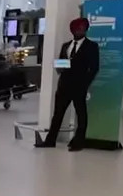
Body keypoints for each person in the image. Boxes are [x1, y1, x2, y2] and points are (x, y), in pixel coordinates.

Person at [36, 17, 100, 151]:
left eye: (82, 28)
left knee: (81, 114)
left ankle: (79, 141)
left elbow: (94, 68)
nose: (79, 31)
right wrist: (59, 67)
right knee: (58, 114)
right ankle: (50, 140)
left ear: (86, 29)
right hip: (64, 85)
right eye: (77, 28)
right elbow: (62, 62)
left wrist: (85, 83)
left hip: (79, 86)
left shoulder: (92, 46)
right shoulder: (66, 45)